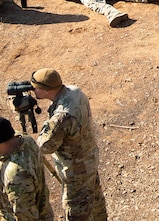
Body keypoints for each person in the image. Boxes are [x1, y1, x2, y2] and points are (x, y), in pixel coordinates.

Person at [30, 68, 108, 221]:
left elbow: (45, 146)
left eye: (36, 88)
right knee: (95, 201)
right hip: (90, 158)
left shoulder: (61, 117)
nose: (33, 91)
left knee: (76, 211)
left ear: (45, 91)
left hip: (76, 171)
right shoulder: (75, 92)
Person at [0, 116, 54, 221]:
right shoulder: (25, 140)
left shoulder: (15, 175)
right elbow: (3, 134)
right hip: (44, 210)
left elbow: (26, 216)